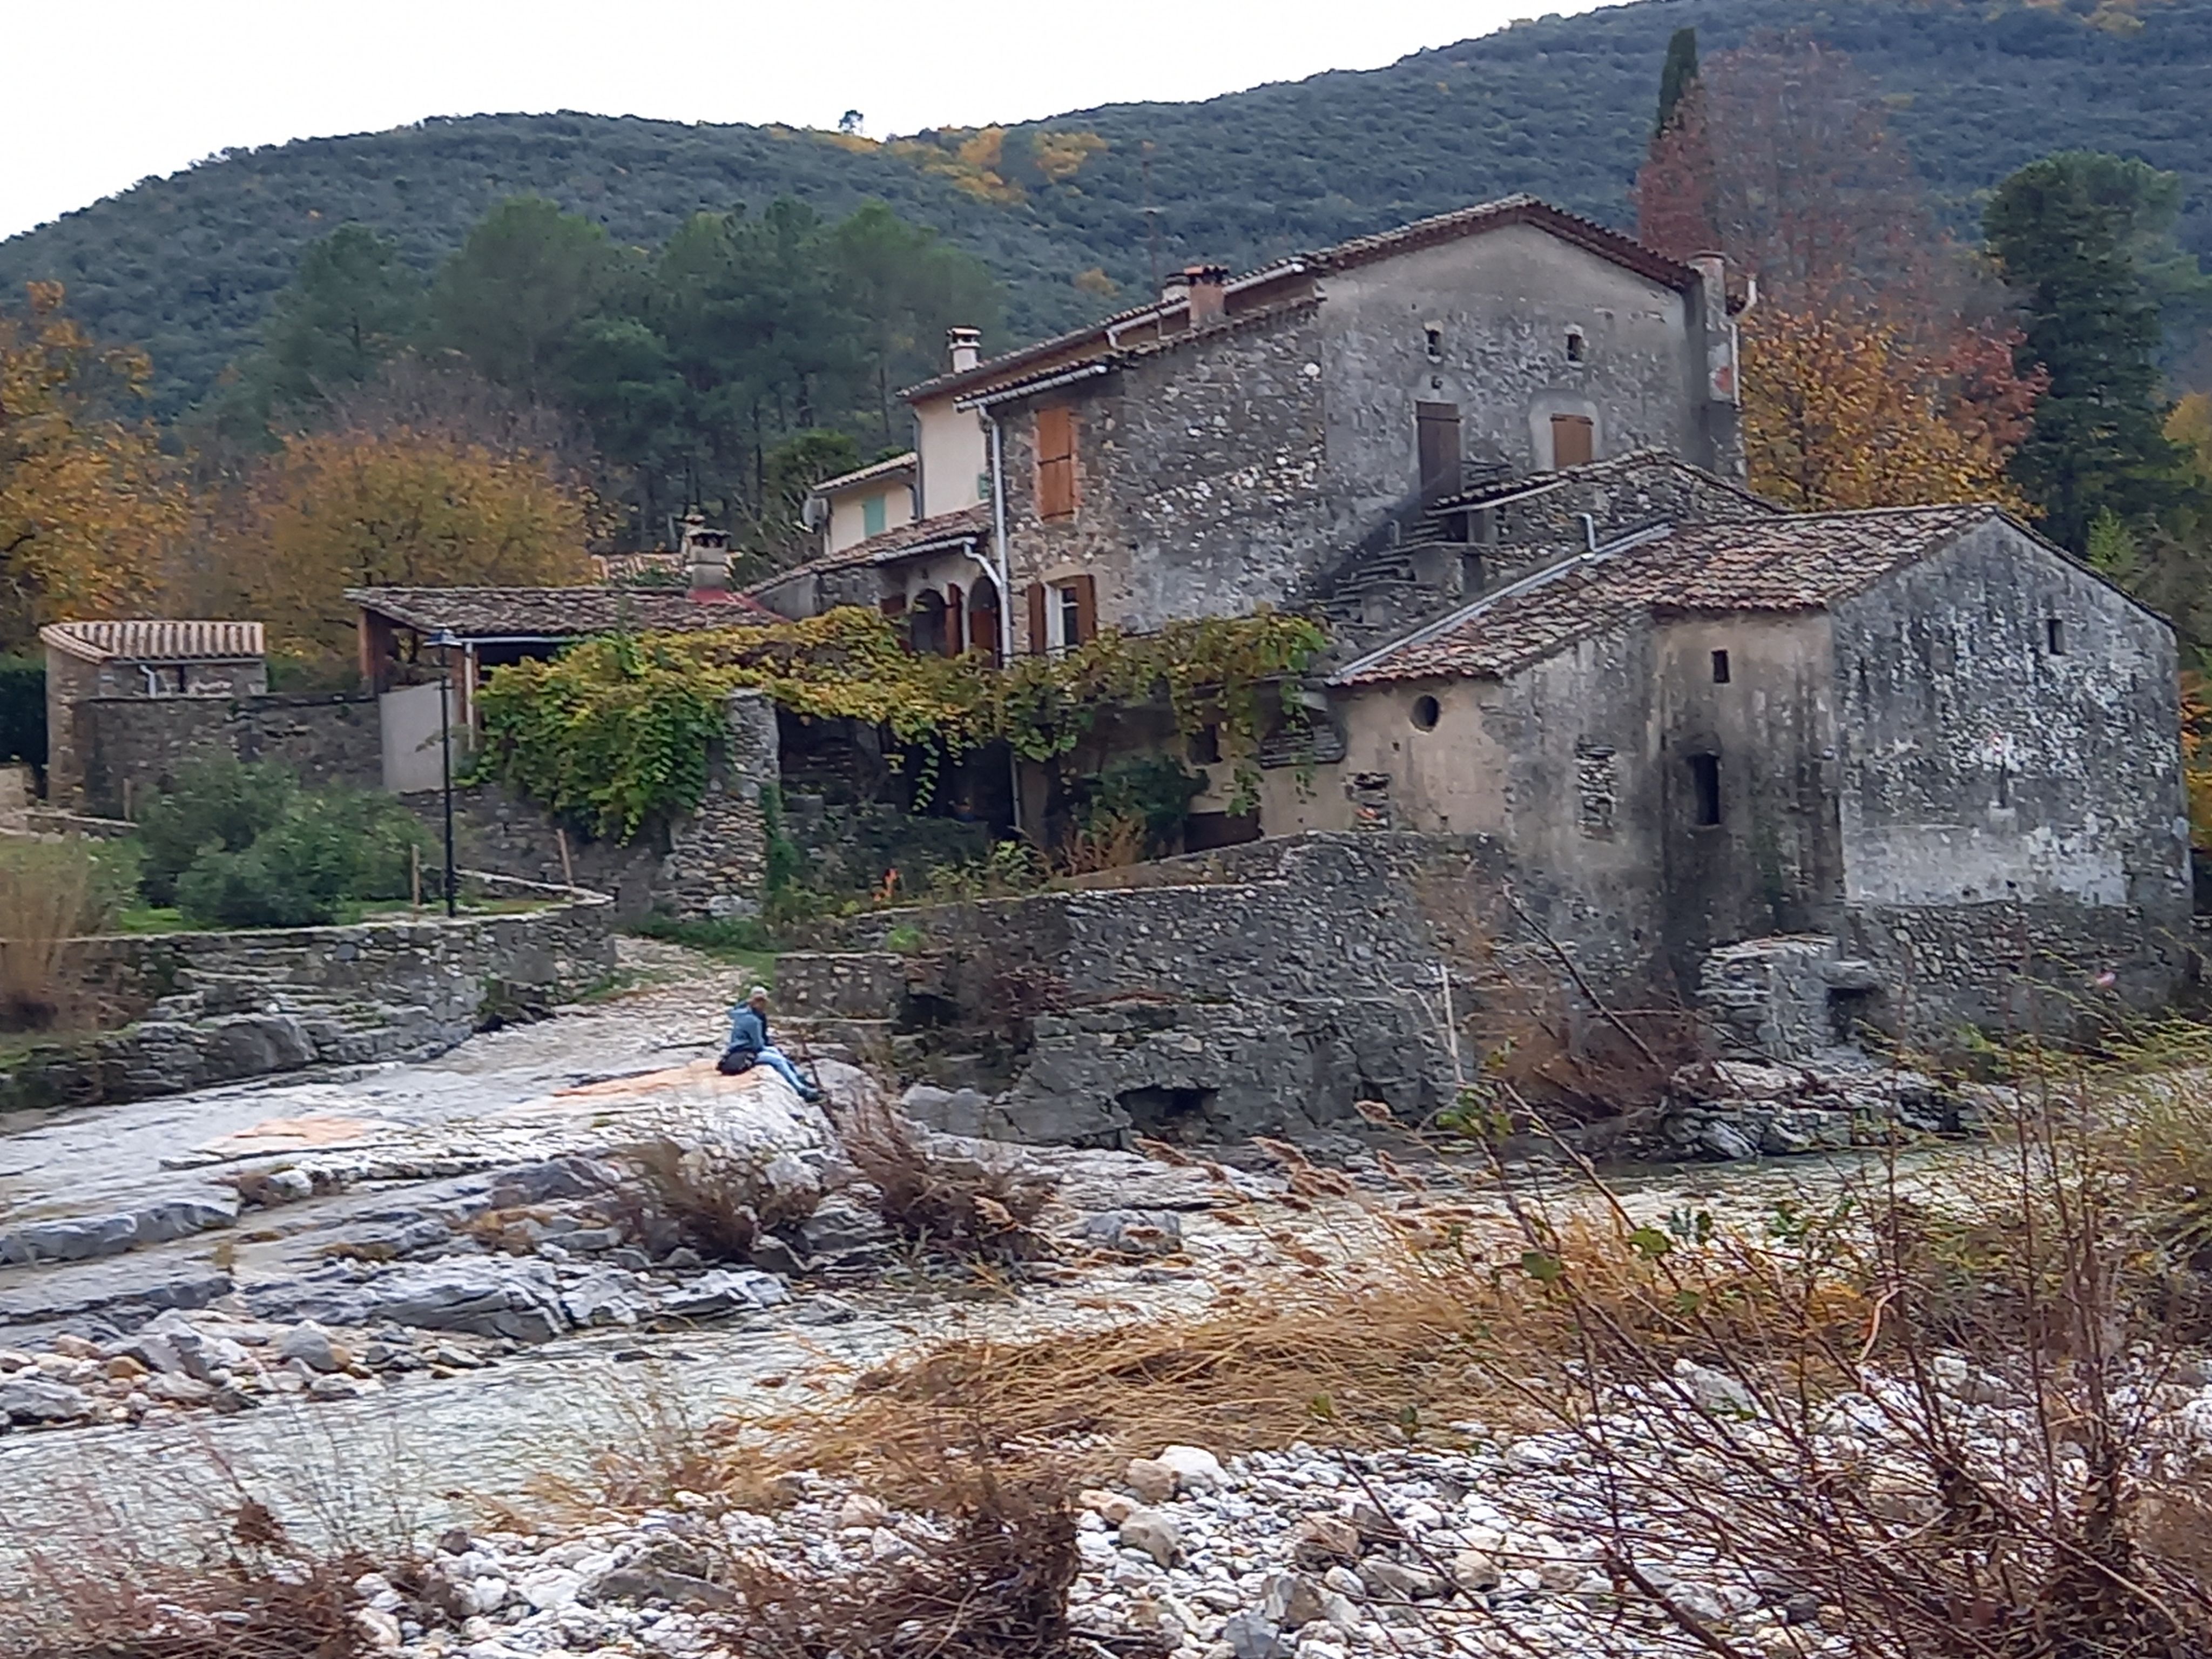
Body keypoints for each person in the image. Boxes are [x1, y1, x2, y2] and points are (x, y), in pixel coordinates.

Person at [720, 985, 823, 1102]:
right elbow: (758, 1045)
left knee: (775, 1051)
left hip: (742, 1049)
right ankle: (801, 1090)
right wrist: (768, 1046)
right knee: (777, 1060)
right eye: (759, 1001)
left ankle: (797, 1077)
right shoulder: (753, 1021)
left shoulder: (744, 1013)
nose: (762, 1004)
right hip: (745, 1053)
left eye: (762, 1001)